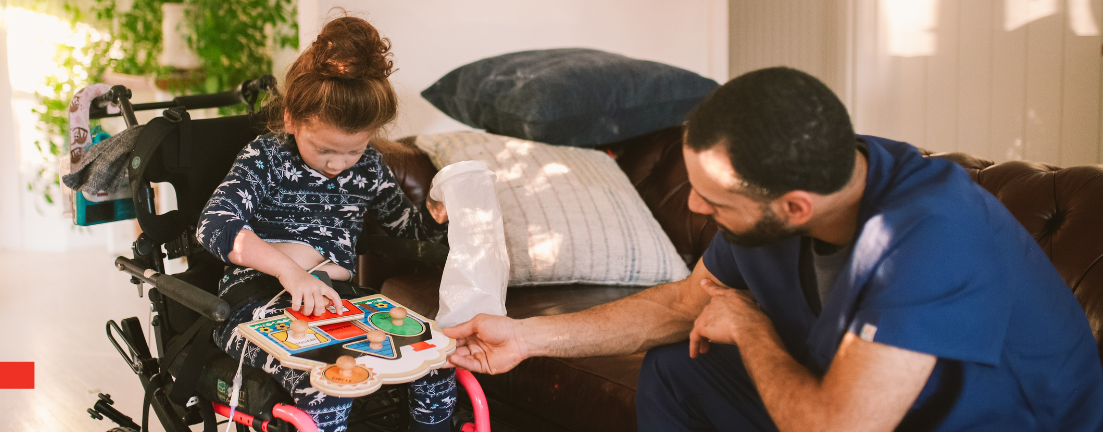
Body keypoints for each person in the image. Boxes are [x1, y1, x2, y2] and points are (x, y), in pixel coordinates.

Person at [445, 67, 1103, 431]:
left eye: (715, 201)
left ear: (794, 208)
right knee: (683, 367)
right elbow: (682, 303)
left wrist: (753, 328)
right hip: (865, 404)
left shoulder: (931, 237)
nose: (696, 208)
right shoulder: (799, 185)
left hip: (991, 422)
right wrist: (528, 338)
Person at [197, 15, 456, 432]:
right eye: (324, 149)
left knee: (435, 365)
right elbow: (214, 225)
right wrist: (292, 273)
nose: (338, 164)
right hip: (255, 306)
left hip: (343, 304)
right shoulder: (267, 157)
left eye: (352, 150)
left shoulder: (369, 167)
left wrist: (441, 212)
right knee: (328, 382)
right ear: (290, 119)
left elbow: (409, 227)